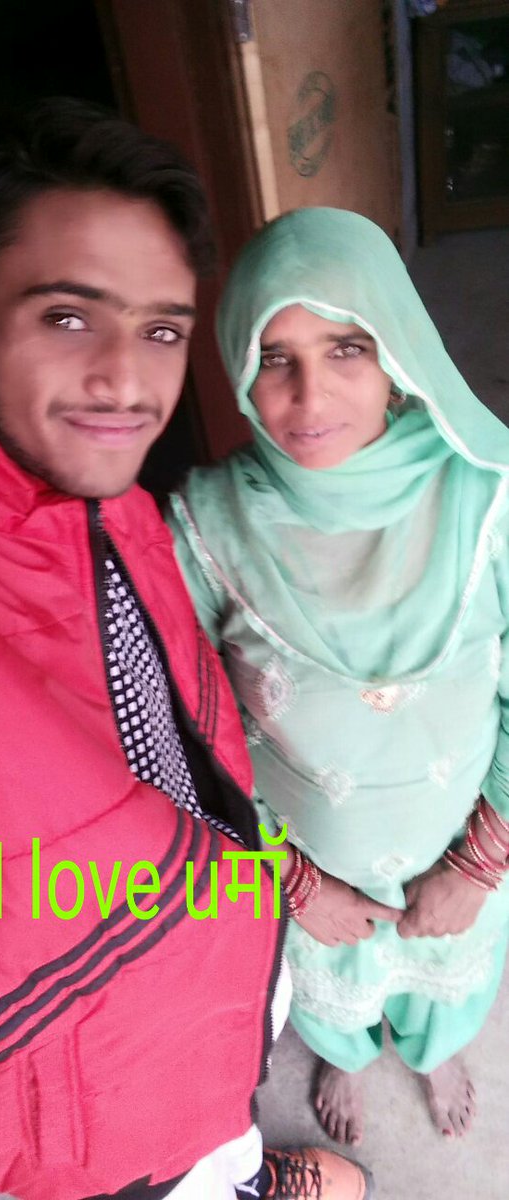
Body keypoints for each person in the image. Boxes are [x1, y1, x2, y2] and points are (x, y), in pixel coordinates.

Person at [0, 104, 372, 1200]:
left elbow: (178, 747)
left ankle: (248, 1168)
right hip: (86, 1084)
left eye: (161, 330)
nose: (127, 382)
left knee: (224, 1117)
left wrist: (278, 876)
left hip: (210, 959)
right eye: (69, 316)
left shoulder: (105, 495)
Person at [168, 206, 509, 1149]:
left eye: (346, 348)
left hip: (463, 843)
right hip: (304, 861)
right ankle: (346, 1055)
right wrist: (290, 881)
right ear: (237, 367)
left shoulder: (486, 492)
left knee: (448, 980)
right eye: (274, 357)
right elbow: (187, 731)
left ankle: (435, 1050)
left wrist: (480, 864)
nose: (308, 395)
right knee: (329, 996)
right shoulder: (204, 524)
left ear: (397, 353)